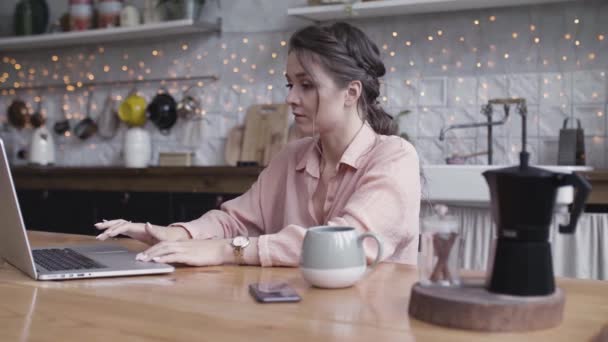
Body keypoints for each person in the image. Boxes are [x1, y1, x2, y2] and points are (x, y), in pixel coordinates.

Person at [95, 22, 421, 267]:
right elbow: (237, 220)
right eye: (290, 84)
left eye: (306, 85)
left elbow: (347, 243)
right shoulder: (292, 156)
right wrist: (178, 234)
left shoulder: (395, 158)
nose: (291, 98)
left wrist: (229, 249)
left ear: (351, 93)